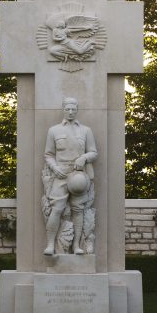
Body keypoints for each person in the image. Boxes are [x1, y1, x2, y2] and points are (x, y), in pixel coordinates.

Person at [42, 97, 97, 255]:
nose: (71, 112)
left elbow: (93, 152)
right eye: (68, 109)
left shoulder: (86, 130)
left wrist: (84, 158)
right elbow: (48, 154)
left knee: (78, 210)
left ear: (77, 109)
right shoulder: (54, 130)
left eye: (74, 109)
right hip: (60, 174)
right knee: (57, 209)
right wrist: (55, 168)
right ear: (63, 109)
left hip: (79, 175)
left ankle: (77, 246)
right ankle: (51, 245)